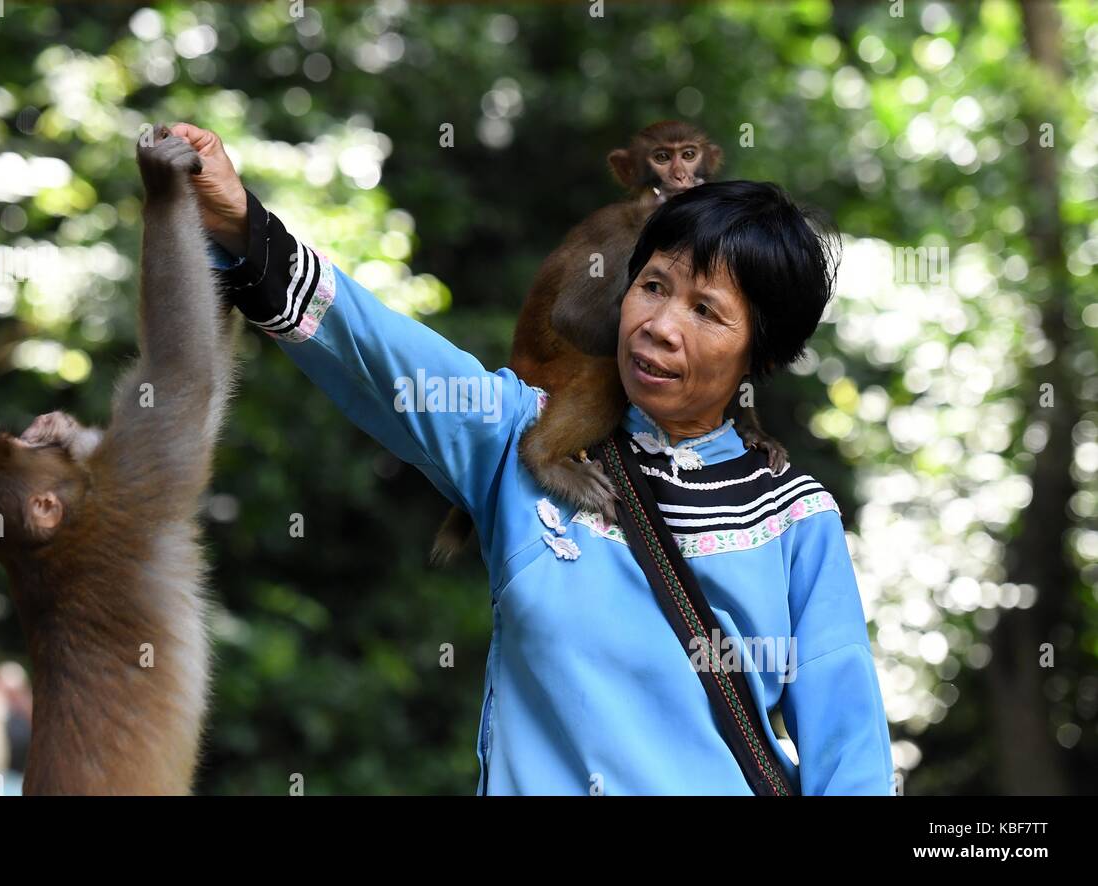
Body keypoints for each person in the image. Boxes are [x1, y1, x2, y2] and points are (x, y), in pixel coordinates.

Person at [171, 122, 896, 795]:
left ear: (760, 354)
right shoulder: (524, 435)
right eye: (652, 286)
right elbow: (384, 354)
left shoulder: (794, 519)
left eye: (705, 311)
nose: (659, 327)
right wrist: (240, 220)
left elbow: (849, 755)